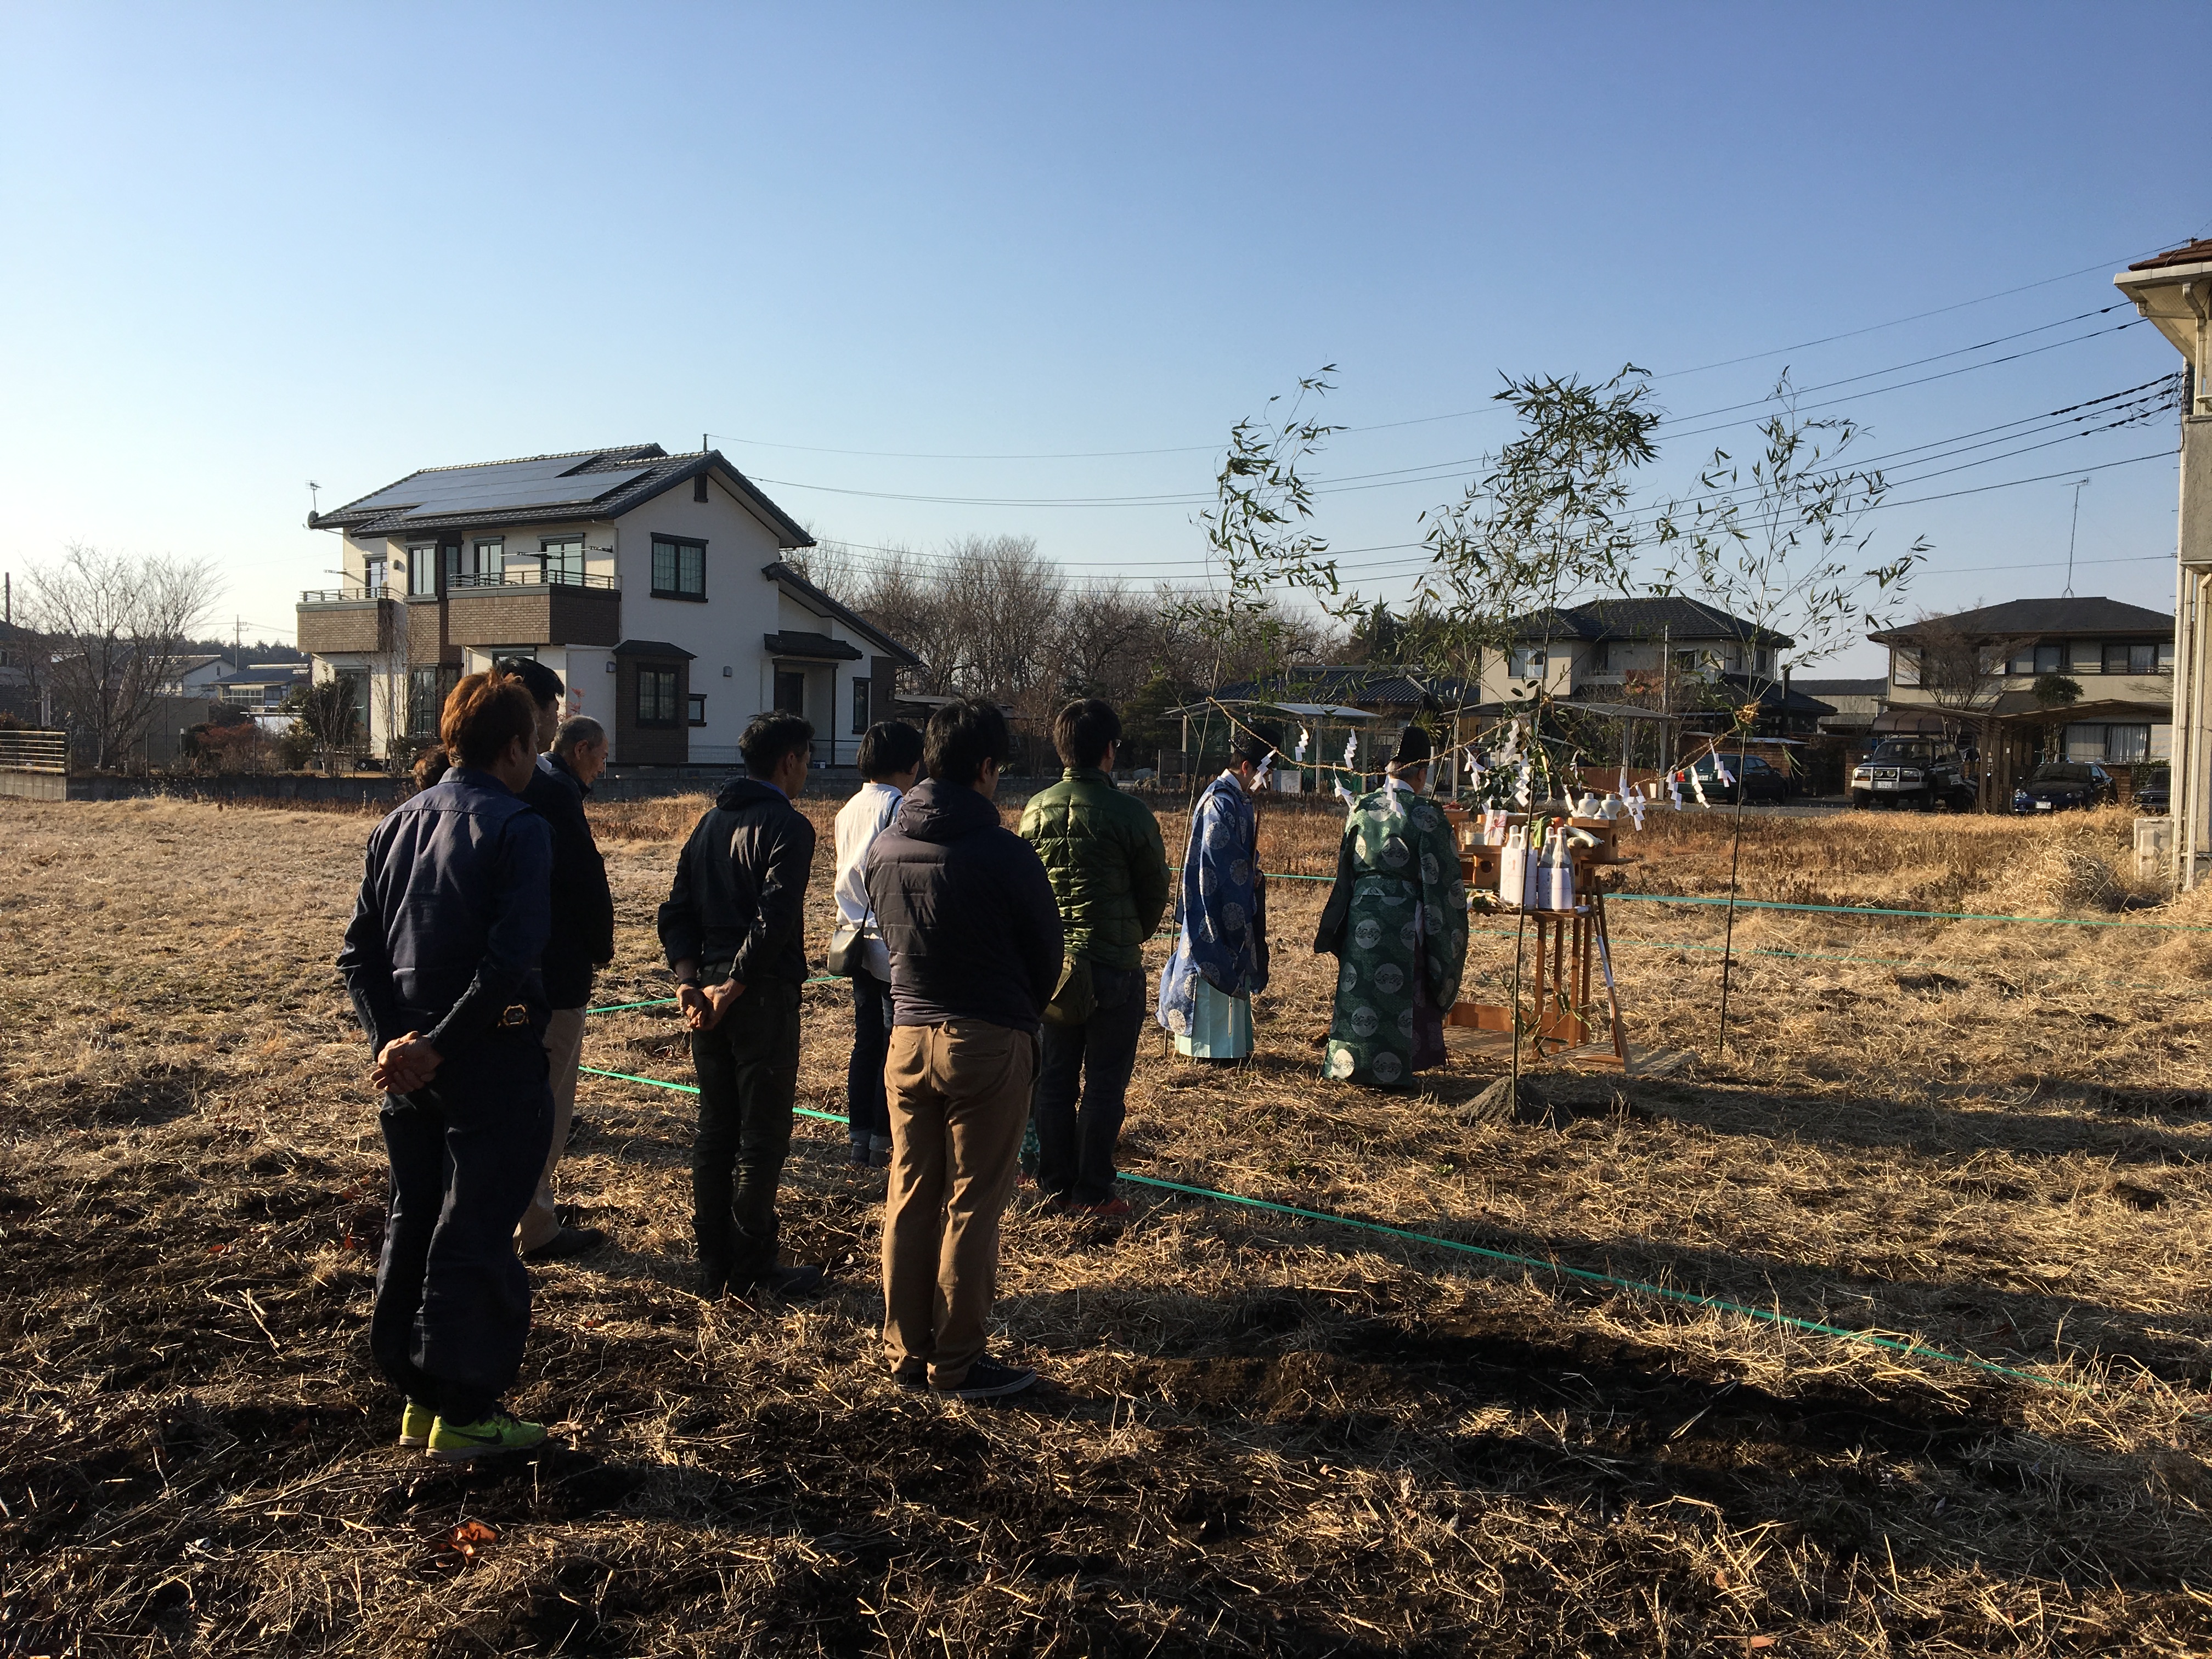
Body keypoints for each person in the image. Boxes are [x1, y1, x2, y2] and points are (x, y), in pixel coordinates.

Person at [337, 670, 557, 1460]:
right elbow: (509, 960)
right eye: (536, 742)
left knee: (414, 1214)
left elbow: (359, 953)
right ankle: (466, 1406)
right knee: (476, 1227)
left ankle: (418, 1396)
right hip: (486, 1060)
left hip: (410, 1071)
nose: (538, 756)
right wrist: (439, 1045)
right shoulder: (518, 827)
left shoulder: (396, 824)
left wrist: (389, 1043)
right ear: (512, 747)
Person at [865, 698, 1062, 1400]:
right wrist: (1017, 1016)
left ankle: (905, 1350)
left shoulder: (884, 848)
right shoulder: (1004, 854)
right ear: (985, 768)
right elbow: (1047, 956)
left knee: (910, 1192)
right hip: (986, 1038)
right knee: (973, 1202)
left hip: (907, 1037)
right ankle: (957, 1361)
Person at [656, 710, 826, 1301]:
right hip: (760, 995)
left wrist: (688, 979)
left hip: (704, 993)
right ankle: (753, 1264)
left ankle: (713, 1263)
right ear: (788, 761)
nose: (807, 770)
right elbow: (775, 918)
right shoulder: (789, 826)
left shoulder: (707, 823)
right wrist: (738, 983)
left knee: (715, 1129)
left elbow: (675, 910)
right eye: (806, 759)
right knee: (762, 1134)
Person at [1018, 698, 1168, 1217]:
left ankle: (1054, 1185)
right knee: (1105, 1084)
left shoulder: (1034, 810)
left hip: (1054, 970)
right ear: (1109, 751)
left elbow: (1027, 893)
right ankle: (1094, 1190)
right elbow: (1154, 891)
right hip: (1113, 967)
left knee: (1054, 1079)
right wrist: (1130, 938)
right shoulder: (1130, 813)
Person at [1313, 725, 1469, 1088]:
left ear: (1388, 769)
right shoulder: (1427, 815)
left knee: (1361, 987)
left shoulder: (1363, 808)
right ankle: (1397, 1067)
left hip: (1361, 914)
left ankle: (1347, 1062)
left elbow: (1345, 868)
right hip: (1404, 918)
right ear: (1421, 774)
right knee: (1401, 989)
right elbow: (1443, 882)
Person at [515, 714, 615, 1261]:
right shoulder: (556, 796)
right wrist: (600, 948)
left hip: (527, 976)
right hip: (556, 978)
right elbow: (585, 883)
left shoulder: (541, 787)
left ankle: (528, 1211)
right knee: (548, 1103)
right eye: (602, 755)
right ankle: (535, 1224)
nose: (605, 765)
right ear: (581, 750)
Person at [833, 720, 925, 1170]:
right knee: (893, 1044)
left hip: (850, 938)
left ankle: (858, 1139)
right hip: (888, 942)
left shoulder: (847, 808)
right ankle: (883, 1139)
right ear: (911, 764)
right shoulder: (899, 807)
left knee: (865, 1041)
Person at [1158, 726, 1276, 1063]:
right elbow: (1215, 863)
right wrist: (1245, 876)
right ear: (1246, 768)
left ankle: (1230, 1047)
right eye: (1264, 773)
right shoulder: (1219, 803)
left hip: (1232, 897)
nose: (1266, 781)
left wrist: (1250, 872)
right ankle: (1208, 1050)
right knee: (1208, 963)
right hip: (1210, 906)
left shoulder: (1239, 800)